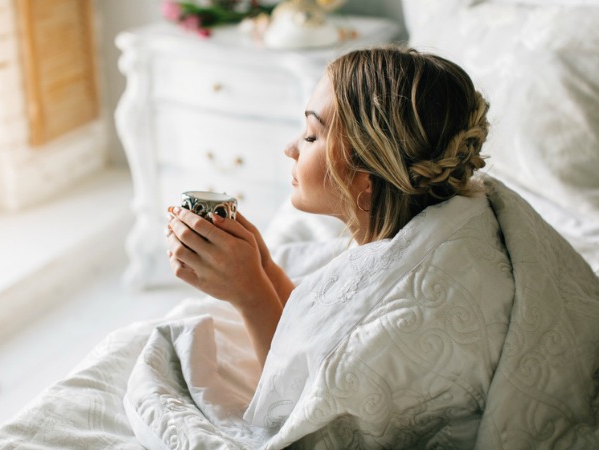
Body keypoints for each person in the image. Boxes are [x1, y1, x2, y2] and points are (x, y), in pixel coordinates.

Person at [165, 46, 489, 366]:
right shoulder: (398, 241)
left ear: (367, 175)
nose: (290, 148)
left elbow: (297, 392)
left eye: (311, 136)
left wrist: (250, 296)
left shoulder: (401, 304)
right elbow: (309, 340)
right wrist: (263, 266)